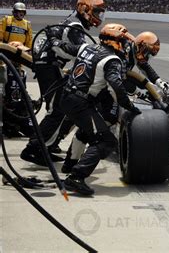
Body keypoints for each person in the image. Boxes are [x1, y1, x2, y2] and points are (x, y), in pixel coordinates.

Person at [52, 23, 141, 195]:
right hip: (81, 103)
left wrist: (53, 39)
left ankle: (69, 165)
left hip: (67, 97)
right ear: (115, 41)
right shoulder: (112, 60)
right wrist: (129, 105)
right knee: (106, 141)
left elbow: (65, 47)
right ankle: (76, 177)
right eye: (123, 40)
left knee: (87, 132)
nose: (125, 44)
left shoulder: (86, 47)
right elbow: (115, 85)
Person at [20, 0, 105, 166]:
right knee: (56, 110)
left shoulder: (73, 22)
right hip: (49, 66)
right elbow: (78, 51)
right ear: (84, 9)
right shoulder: (75, 25)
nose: (98, 16)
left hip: (51, 66)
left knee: (59, 108)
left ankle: (44, 148)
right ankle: (33, 149)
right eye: (96, 11)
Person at [61, 30, 163, 173]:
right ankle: (75, 163)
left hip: (88, 93)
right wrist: (132, 100)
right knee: (102, 128)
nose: (147, 57)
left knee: (90, 127)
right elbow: (119, 83)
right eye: (147, 53)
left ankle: (71, 163)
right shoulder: (116, 56)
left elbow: (141, 69)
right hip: (99, 92)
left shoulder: (128, 52)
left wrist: (158, 81)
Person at [0, 3, 33, 138]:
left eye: (22, 12)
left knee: (18, 92)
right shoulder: (6, 20)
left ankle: (15, 124)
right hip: (5, 58)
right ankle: (8, 123)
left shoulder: (27, 25)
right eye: (17, 12)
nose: (19, 14)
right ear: (13, 12)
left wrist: (27, 57)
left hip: (19, 62)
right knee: (7, 91)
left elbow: (29, 42)